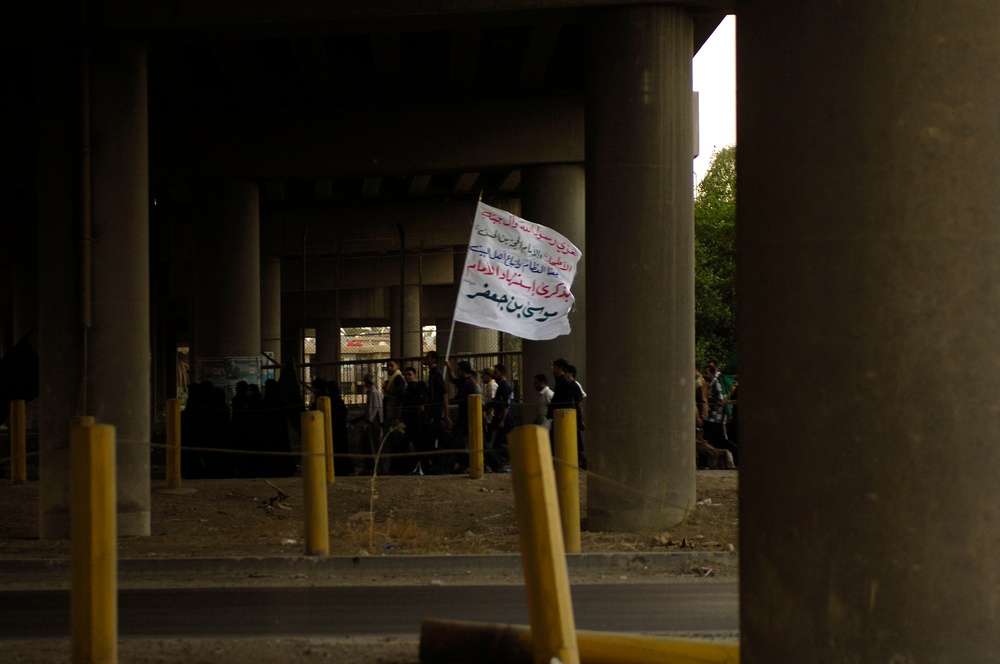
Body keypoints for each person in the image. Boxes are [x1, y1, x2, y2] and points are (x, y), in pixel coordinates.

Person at [420, 351, 459, 474]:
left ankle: (463, 457)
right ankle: (442, 465)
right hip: (434, 413)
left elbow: (444, 394)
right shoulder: (433, 374)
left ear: (434, 360)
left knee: (445, 440)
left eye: (428, 357)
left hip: (437, 414)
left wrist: (446, 414)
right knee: (435, 441)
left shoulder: (436, 374)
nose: (426, 358)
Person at [549, 358, 586, 469]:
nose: (553, 369)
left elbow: (571, 403)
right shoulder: (561, 381)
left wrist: (579, 420)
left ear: (560, 368)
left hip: (563, 419)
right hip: (561, 418)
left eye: (555, 366)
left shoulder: (564, 383)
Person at [703, 363, 737, 466]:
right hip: (711, 418)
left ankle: (736, 453)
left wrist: (708, 401)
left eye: (706, 373)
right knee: (714, 441)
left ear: (712, 373)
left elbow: (720, 401)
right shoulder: (709, 384)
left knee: (720, 442)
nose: (704, 375)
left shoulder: (716, 384)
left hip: (716, 419)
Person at [486, 364, 514, 472]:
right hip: (502, 419)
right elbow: (496, 401)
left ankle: (497, 465)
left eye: (496, 372)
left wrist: (502, 420)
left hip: (504, 420)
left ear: (502, 373)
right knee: (501, 443)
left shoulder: (504, 387)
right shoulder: (501, 386)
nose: (494, 374)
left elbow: (506, 405)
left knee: (496, 443)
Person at [361, 373, 384, 473]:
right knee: (372, 444)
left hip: (373, 421)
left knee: (373, 445)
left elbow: (373, 408)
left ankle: (375, 468)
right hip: (375, 421)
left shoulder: (373, 393)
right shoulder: (374, 392)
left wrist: (369, 421)